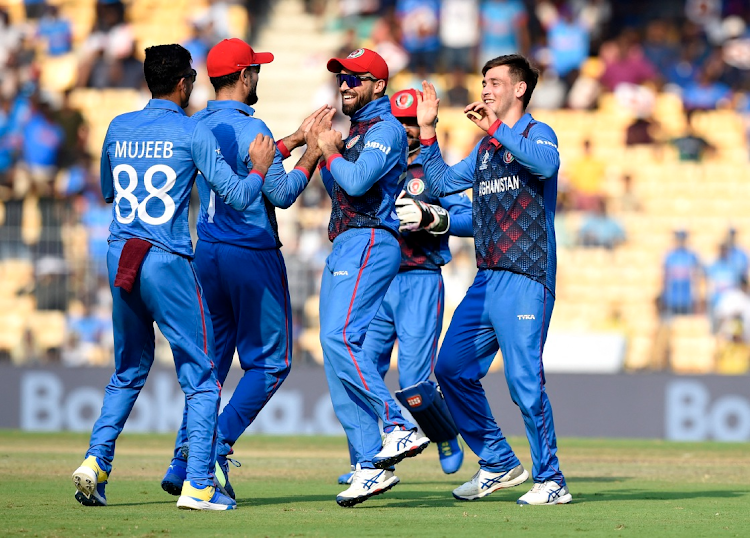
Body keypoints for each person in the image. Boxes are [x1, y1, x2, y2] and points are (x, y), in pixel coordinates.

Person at [71, 43, 273, 511]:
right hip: (166, 259)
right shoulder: (190, 131)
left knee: (126, 371)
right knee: (202, 378)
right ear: (184, 84)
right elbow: (241, 195)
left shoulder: (118, 126)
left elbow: (106, 190)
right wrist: (261, 168)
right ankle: (199, 485)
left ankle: (95, 462)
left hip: (121, 255)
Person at [160, 38, 335, 500]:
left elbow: (237, 160)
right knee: (271, 363)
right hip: (251, 254)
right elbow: (279, 192)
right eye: (255, 69)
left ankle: (184, 457)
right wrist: (314, 152)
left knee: (211, 366)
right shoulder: (251, 123)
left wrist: (292, 140)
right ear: (243, 76)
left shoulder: (198, 122)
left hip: (208, 252)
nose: (258, 75)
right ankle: (213, 450)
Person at [416, 53, 572, 505]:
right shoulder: (485, 148)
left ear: (520, 88)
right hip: (487, 280)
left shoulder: (535, 132)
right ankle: (498, 463)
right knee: (451, 369)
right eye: (484, 82)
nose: (486, 89)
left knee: (524, 382)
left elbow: (545, 167)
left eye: (495, 82)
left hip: (527, 276)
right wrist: (428, 131)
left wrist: (496, 130)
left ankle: (552, 480)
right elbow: (441, 182)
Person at [336, 88, 473, 485]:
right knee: (363, 366)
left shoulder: (432, 171)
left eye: (414, 122)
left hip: (418, 278)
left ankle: (446, 435)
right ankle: (368, 461)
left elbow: (466, 217)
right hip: (375, 281)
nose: (408, 131)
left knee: (414, 379)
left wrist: (431, 216)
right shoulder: (376, 161)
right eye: (402, 122)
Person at [314, 48, 430, 507]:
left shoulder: (385, 130)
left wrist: (329, 151)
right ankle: (368, 465)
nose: (344, 85)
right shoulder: (358, 132)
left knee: (339, 339)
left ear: (378, 86)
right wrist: (327, 154)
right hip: (346, 241)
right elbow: (340, 188)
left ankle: (398, 425)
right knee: (335, 348)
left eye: (355, 79)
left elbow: (359, 183)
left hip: (369, 240)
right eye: (342, 78)